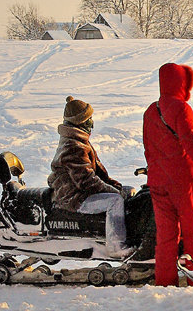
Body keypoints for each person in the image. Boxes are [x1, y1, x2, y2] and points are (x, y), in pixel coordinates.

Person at [142, 63, 193, 286]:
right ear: (182, 83)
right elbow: (192, 144)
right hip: (184, 181)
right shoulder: (181, 108)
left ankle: (164, 282)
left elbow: (148, 148)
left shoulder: (151, 110)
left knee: (166, 236)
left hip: (158, 182)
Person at [48, 96, 132, 258]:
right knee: (115, 202)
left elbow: (98, 173)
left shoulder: (79, 141)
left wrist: (117, 187)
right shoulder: (73, 147)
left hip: (81, 192)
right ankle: (116, 247)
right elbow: (87, 181)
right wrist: (115, 192)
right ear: (79, 122)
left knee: (128, 192)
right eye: (88, 120)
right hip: (75, 198)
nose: (92, 123)